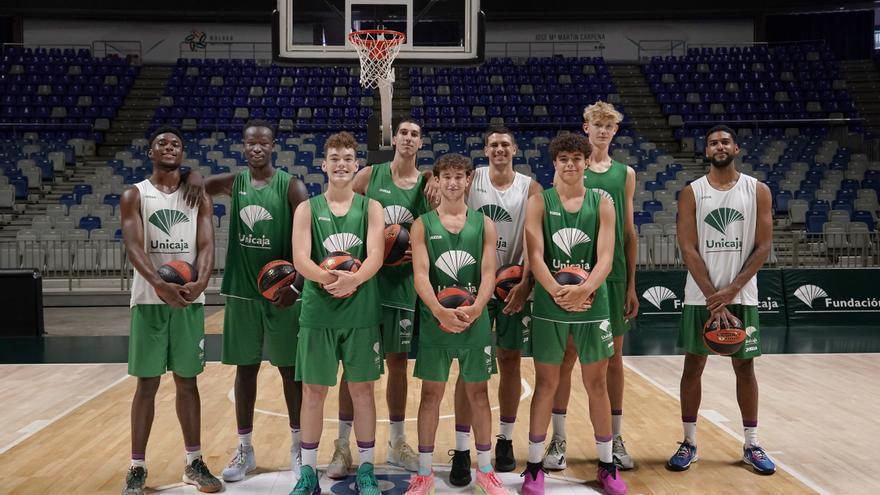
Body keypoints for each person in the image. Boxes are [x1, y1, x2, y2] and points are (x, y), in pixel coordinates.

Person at [184, 120, 309, 481]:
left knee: (289, 370)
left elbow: (308, 237)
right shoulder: (234, 183)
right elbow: (201, 184)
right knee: (246, 369)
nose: (257, 148)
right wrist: (193, 173)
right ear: (243, 146)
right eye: (251, 143)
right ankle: (245, 449)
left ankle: (298, 446)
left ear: (273, 146)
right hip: (242, 290)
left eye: (263, 143)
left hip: (283, 292)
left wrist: (298, 286)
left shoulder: (291, 185)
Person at [324, 119, 431, 478]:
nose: (408, 138)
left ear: (420, 143)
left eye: (415, 134)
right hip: (364, 283)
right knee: (353, 368)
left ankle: (397, 442)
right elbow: (344, 213)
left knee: (398, 362)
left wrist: (412, 250)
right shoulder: (370, 175)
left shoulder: (427, 185)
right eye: (403, 133)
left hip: (401, 286)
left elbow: (431, 230)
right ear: (394, 139)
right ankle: (342, 446)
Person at [520, 134, 626, 495]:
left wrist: (584, 289)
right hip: (551, 306)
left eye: (576, 158)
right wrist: (556, 291)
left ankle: (607, 465)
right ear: (555, 164)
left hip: (592, 304)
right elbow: (535, 255)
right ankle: (534, 468)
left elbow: (607, 256)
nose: (570, 164)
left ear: (585, 162)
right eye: (563, 158)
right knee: (546, 384)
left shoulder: (603, 203)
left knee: (596, 384)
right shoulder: (538, 202)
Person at [667, 125, 776, 475]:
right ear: (706, 150)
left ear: (736, 148)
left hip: (742, 294)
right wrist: (715, 296)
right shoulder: (692, 192)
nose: (719, 146)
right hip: (701, 297)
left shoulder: (757, 190)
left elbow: (763, 246)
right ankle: (689, 442)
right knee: (692, 366)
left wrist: (731, 291)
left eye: (724, 141)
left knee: (745, 368)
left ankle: (752, 443)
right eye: (713, 142)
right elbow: (688, 246)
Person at [120, 126, 220, 495]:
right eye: (162, 142)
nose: (169, 146)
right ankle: (137, 466)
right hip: (149, 300)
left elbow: (207, 243)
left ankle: (194, 462)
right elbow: (134, 246)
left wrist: (201, 282)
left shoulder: (198, 195)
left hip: (189, 301)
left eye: (176, 143)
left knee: (187, 381)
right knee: (146, 384)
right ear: (150, 152)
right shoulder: (135, 194)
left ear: (183, 152)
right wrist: (159, 284)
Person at [405, 153, 509, 495]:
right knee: (430, 395)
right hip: (436, 319)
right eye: (445, 177)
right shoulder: (422, 224)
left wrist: (478, 308)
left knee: (478, 394)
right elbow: (420, 274)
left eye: (458, 177)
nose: (452, 182)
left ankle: (486, 472)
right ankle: (423, 474)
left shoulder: (484, 224)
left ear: (468, 181)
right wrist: (438, 310)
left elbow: (488, 273)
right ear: (436, 180)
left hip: (475, 320)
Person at [544, 102, 639, 471]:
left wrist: (631, 283)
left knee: (613, 361)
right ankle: (558, 438)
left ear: (615, 130)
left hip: (610, 277)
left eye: (609, 125)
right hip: (570, 274)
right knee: (565, 360)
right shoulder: (570, 168)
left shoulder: (624, 173)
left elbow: (629, 232)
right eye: (597, 124)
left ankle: (614, 437)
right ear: (586, 127)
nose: (602, 131)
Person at [289, 131, 385, 495]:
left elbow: (375, 254)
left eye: (348, 157)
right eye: (335, 157)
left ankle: (366, 469)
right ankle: (309, 473)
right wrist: (332, 279)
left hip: (360, 311)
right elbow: (301, 257)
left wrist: (354, 280)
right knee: (314, 391)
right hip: (319, 311)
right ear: (323, 164)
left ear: (356, 164)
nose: (342, 163)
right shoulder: (306, 209)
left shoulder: (371, 207)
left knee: (362, 391)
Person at [447, 126, 541, 484]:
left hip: (513, 286)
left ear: (514, 148)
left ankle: (504, 439)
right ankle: (461, 448)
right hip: (473, 287)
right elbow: (447, 193)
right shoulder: (473, 180)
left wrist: (526, 282)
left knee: (510, 360)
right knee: (469, 365)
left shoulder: (530, 186)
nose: (499, 149)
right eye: (493, 144)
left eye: (505, 144)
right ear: (484, 149)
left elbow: (535, 240)